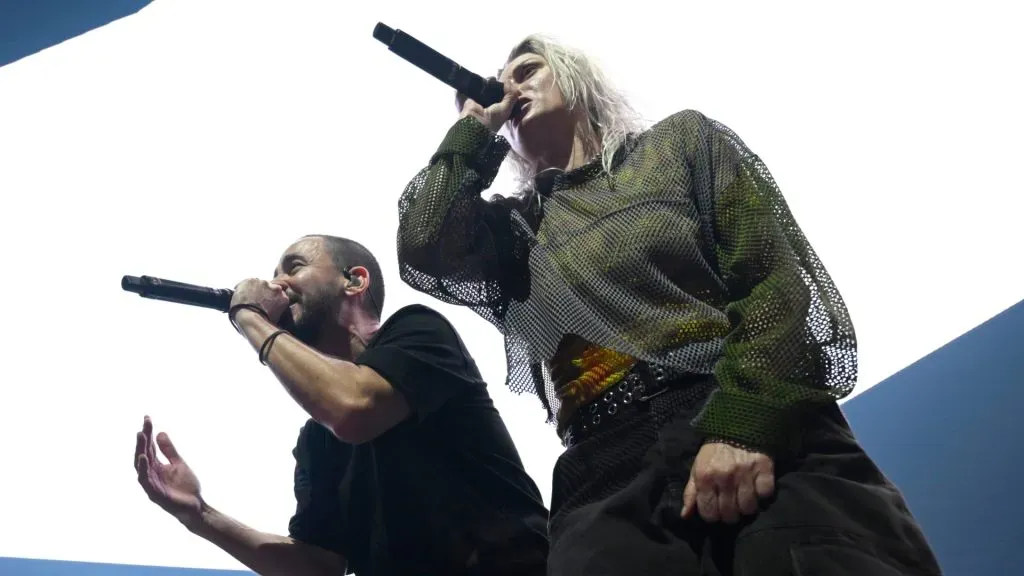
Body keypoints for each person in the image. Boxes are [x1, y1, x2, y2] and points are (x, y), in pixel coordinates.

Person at [395, 35, 942, 575]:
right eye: (501, 83)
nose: (509, 87)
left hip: (739, 414)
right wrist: (473, 129)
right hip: (602, 474)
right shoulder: (510, 232)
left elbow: (774, 284)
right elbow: (423, 244)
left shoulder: (678, 144)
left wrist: (740, 428)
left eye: (527, 70)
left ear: (575, 77)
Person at [132, 234, 549, 576]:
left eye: (293, 267)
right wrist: (200, 515)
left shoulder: (419, 331)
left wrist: (248, 316)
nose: (276, 284)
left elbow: (353, 408)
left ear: (355, 280)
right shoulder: (319, 439)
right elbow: (319, 565)